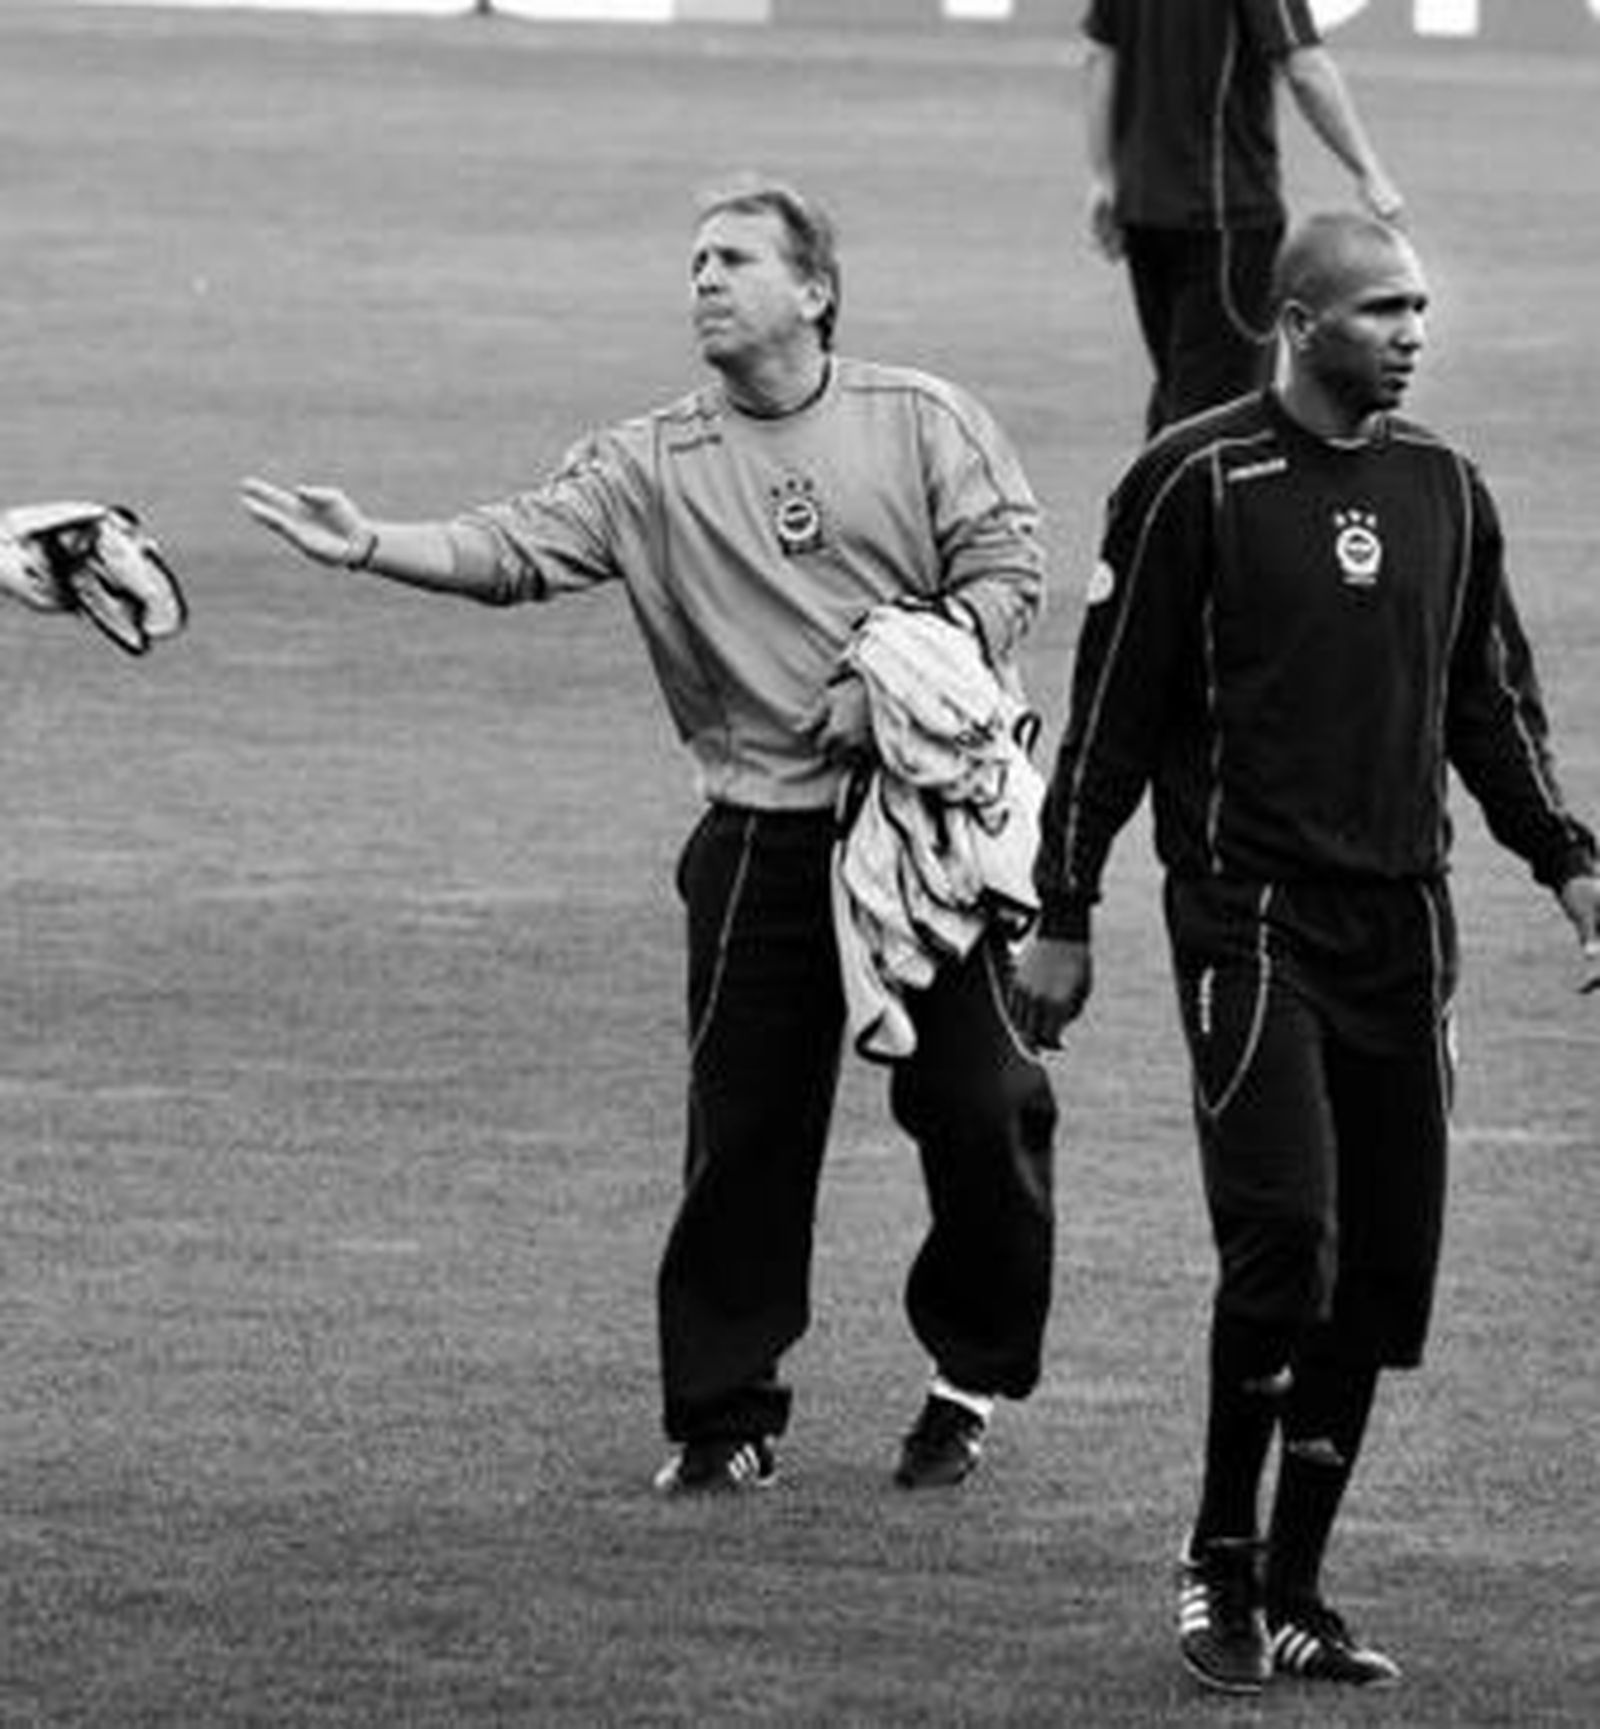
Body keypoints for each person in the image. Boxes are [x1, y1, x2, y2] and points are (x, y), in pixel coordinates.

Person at [240, 178, 1058, 1496]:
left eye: (734, 259)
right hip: (763, 835)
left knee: (984, 1109)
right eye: (693, 263)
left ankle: (967, 1376)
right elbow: (516, 547)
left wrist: (900, 681)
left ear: (815, 288)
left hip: (928, 833)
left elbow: (1008, 570)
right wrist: (369, 543)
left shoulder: (923, 420)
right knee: (744, 1136)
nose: (704, 282)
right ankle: (726, 1416)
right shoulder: (648, 460)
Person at [1010, 211, 1599, 1693]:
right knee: (1289, 1242)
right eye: (1381, 308)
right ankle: (1215, 1561)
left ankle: (1297, 1583)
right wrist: (1063, 914)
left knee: (1383, 1276)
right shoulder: (1195, 479)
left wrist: (1572, 863)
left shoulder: (1447, 491)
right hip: (1250, 922)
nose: (1412, 331)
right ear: (1295, 320)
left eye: (1419, 308)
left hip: (1405, 929)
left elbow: (1490, 710)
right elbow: (1115, 718)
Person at [1081, 0, 1405, 437]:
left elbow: (1102, 54)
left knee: (1179, 391)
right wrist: (1369, 170)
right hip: (1225, 219)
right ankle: (1180, 503)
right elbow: (1304, 67)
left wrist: (1104, 175)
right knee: (1218, 414)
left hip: (1146, 209)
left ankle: (1149, 503)